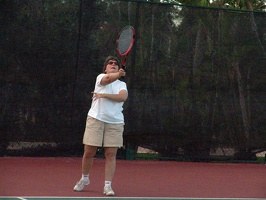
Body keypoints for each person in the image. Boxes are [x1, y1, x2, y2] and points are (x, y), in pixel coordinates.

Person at [73, 56, 128, 196]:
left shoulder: (122, 85)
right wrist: (118, 74)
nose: (113, 65)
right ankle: (85, 178)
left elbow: (122, 97)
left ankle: (107, 186)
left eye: (116, 64)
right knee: (89, 152)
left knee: (111, 154)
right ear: (105, 68)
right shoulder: (101, 78)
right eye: (110, 63)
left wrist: (104, 96)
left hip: (115, 122)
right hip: (96, 119)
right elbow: (108, 80)